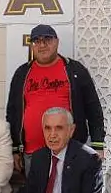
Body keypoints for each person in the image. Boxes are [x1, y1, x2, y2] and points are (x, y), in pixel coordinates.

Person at [6, 24, 105, 179]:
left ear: (57, 42)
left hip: (70, 153)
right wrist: (14, 149)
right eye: (37, 41)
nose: (42, 45)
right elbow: (12, 113)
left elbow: (93, 109)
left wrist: (98, 144)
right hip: (32, 154)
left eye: (47, 39)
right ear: (32, 45)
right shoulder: (22, 73)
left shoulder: (75, 70)